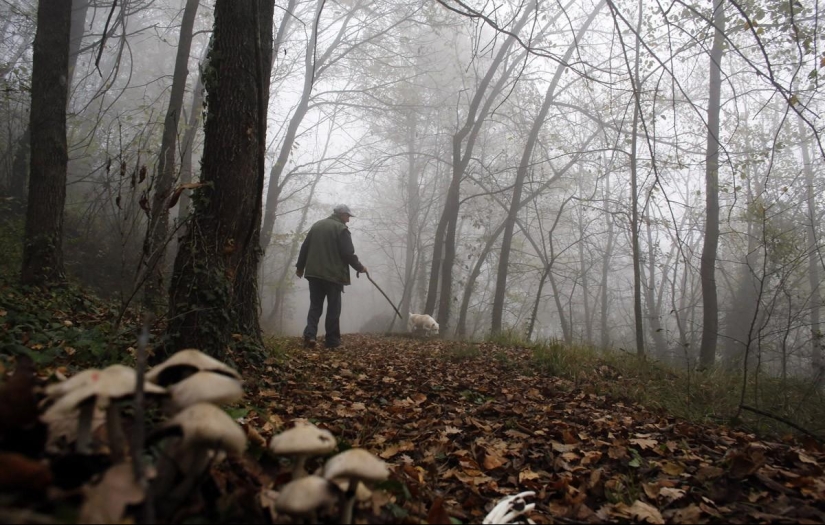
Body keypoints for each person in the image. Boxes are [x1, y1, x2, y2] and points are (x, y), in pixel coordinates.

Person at [295, 204, 367, 349]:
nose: (348, 220)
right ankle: (332, 341)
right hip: (333, 275)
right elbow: (348, 254)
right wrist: (360, 267)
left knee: (315, 306)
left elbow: (305, 247)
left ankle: (310, 336)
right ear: (341, 214)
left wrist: (300, 267)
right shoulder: (341, 229)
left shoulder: (317, 225)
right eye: (347, 216)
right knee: (334, 308)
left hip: (314, 274)